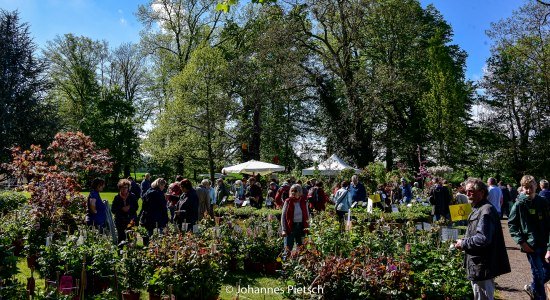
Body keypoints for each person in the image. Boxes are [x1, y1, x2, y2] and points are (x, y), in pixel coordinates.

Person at [454, 178, 510, 300]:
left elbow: (483, 238)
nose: (467, 194)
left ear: (482, 192)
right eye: (466, 191)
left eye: (471, 191)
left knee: (483, 297)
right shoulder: (478, 208)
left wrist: (463, 243)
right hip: (478, 264)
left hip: (482, 265)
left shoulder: (485, 210)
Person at [509, 175, 550, 299]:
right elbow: (512, 224)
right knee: (538, 273)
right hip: (531, 245)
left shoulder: (543, 202)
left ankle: (532, 288)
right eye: (525, 188)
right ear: (522, 188)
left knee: (546, 272)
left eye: (530, 187)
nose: (528, 190)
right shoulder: (519, 204)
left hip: (544, 243)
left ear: (536, 186)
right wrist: (522, 242)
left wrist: (549, 248)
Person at [139, 178, 168, 245]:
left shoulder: (148, 191)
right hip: (158, 216)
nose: (163, 187)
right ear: (160, 185)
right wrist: (166, 217)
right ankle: (158, 247)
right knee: (160, 234)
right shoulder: (159, 193)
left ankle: (149, 246)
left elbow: (144, 205)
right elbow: (163, 206)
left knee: (150, 232)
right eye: (163, 186)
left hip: (149, 215)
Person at [281, 184, 309, 252]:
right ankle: (286, 261)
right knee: (288, 248)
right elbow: (283, 216)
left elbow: (307, 215)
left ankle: (300, 261)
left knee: (301, 247)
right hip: (290, 227)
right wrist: (284, 229)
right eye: (292, 191)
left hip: (301, 227)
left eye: (295, 191)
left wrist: (308, 227)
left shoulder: (304, 201)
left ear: (299, 192)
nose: (293, 192)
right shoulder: (288, 201)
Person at [111, 179, 139, 243]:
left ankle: (131, 252)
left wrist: (129, 207)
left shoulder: (132, 196)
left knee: (131, 238)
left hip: (131, 220)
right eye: (122, 187)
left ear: (128, 188)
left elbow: (136, 207)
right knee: (121, 238)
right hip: (120, 220)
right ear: (119, 188)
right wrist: (121, 208)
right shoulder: (117, 198)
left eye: (125, 187)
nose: (123, 189)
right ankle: (120, 252)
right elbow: (113, 209)